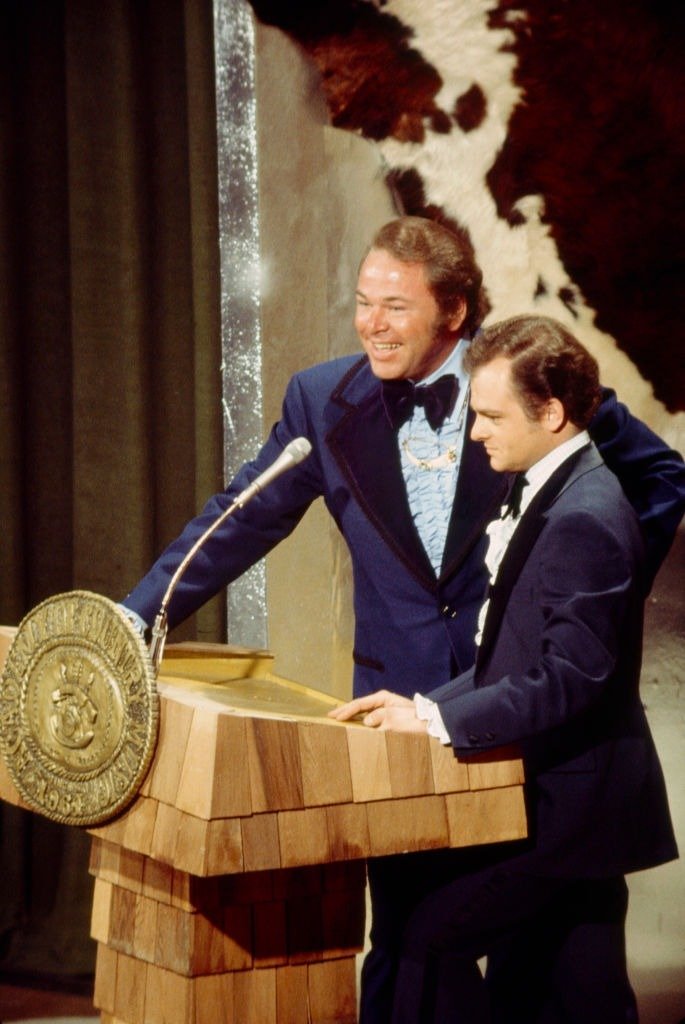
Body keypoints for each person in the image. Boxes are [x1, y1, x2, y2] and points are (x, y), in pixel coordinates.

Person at [121, 218, 685, 1022]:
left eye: (394, 307)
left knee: (561, 965)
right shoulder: (323, 401)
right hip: (404, 729)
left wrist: (581, 600)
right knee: (412, 950)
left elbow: (657, 484)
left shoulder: (527, 377)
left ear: (453, 312)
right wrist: (138, 616)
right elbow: (238, 519)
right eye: (362, 303)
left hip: (539, 730)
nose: (370, 325)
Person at [329, 315, 678, 1023]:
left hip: (569, 811)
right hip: (579, 803)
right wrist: (421, 704)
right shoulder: (557, 487)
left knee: (431, 937)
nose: (475, 432)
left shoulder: (583, 513)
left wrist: (436, 720)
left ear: (550, 412)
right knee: (577, 992)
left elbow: (568, 678)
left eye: (489, 415)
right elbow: (506, 655)